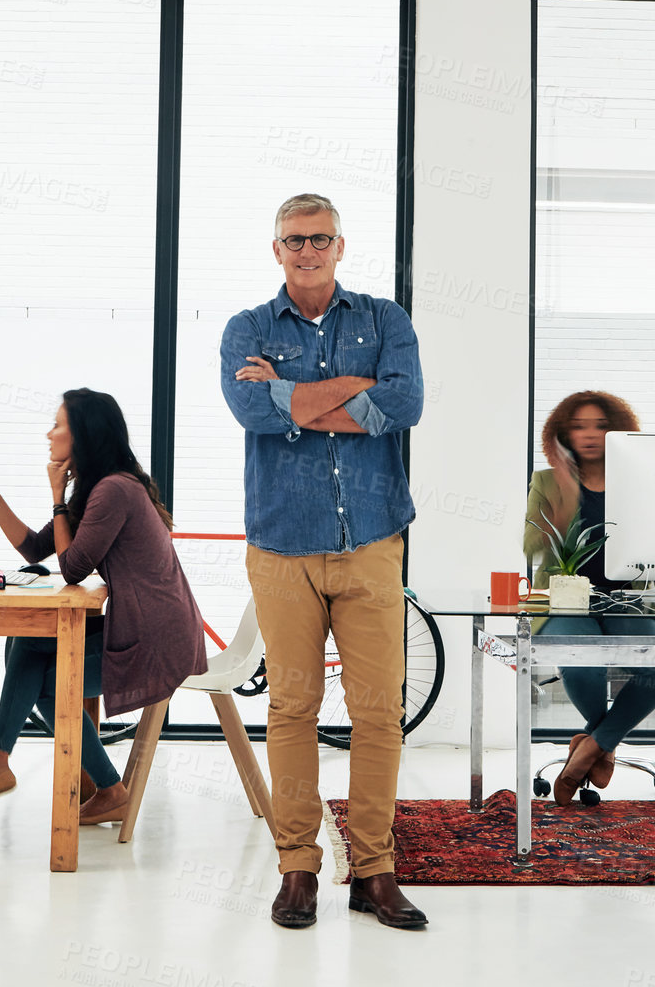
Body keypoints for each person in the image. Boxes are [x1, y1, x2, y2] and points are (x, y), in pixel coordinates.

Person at [221, 193, 428, 931]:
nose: (306, 250)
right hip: (282, 548)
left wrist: (290, 397)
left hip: (373, 540)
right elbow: (251, 414)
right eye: (292, 239)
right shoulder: (244, 327)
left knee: (378, 712)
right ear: (275, 249)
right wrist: (353, 390)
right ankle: (297, 867)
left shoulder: (384, 319)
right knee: (292, 708)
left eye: (319, 238)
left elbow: (404, 403)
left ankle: (373, 869)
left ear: (340, 245)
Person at [0, 389, 208, 822]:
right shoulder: (99, 489)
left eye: (58, 424)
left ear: (81, 435)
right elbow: (35, 548)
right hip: (142, 624)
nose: (49, 433)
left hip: (156, 639)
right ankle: (3, 763)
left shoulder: (114, 490)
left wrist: (57, 496)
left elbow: (73, 567)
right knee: (28, 639)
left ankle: (7, 763)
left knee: (44, 677)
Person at [523, 391, 655, 806]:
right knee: (583, 663)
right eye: (578, 426)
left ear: (619, 431)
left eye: (601, 425)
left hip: (625, 600)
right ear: (562, 433)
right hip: (566, 597)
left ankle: (589, 748)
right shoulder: (546, 481)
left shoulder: (641, 484)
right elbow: (531, 547)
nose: (590, 434)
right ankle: (603, 744)